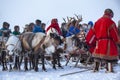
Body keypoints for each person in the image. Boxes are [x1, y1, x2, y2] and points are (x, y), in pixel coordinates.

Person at [86, 8, 119, 73]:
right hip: (108, 42)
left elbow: (91, 33)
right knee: (110, 55)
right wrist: (118, 40)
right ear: (111, 14)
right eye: (112, 16)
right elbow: (114, 33)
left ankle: (96, 68)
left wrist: (89, 41)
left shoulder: (97, 22)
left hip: (99, 42)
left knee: (97, 56)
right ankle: (109, 69)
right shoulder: (111, 22)